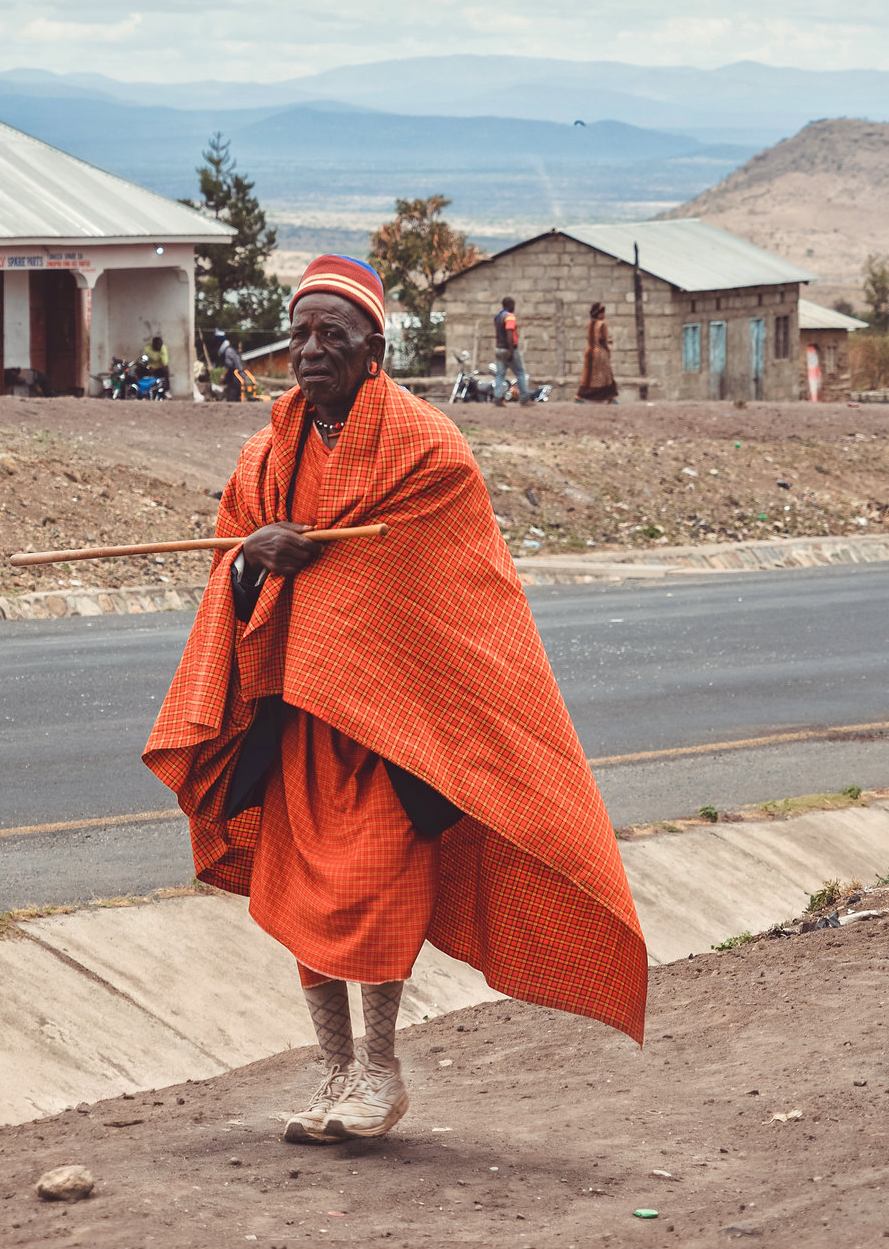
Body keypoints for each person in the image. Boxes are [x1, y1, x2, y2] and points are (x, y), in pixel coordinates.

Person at [144, 255, 646, 1146]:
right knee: (302, 889)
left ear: (374, 346)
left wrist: (321, 571)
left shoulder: (427, 450)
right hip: (297, 715)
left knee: (373, 888)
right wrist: (254, 559)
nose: (309, 351)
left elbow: (442, 589)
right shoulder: (267, 450)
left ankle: (381, 1070)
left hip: (393, 724)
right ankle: (334, 1069)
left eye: (331, 336)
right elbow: (229, 562)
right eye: (299, 334)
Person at [577, 302, 619, 403]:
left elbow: (593, 338)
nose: (604, 315)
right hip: (599, 353)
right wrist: (607, 349)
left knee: (588, 376)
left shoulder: (591, 324)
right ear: (599, 314)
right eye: (603, 313)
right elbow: (602, 340)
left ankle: (579, 395)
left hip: (589, 351)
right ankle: (610, 397)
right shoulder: (602, 324)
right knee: (605, 376)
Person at [492, 297, 526, 405]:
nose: (514, 307)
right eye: (513, 304)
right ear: (509, 304)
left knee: (500, 374)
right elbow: (509, 333)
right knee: (520, 373)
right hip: (508, 349)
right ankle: (525, 398)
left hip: (498, 348)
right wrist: (511, 351)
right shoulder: (509, 317)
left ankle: (497, 398)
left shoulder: (498, 317)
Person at [218, 330, 247, 403]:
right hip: (238, 374)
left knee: (232, 394)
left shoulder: (228, 351)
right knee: (237, 394)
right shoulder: (233, 352)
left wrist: (224, 376)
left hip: (234, 375)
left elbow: (229, 366)